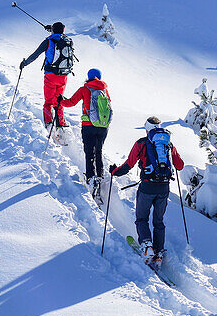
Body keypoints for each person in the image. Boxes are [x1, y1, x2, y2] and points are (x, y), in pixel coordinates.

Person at [109, 116, 184, 263]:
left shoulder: (141, 143)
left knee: (142, 218)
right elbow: (180, 165)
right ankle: (159, 252)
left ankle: (147, 245)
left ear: (147, 129)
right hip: (164, 187)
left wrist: (114, 171)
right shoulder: (168, 144)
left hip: (147, 187)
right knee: (159, 220)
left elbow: (128, 165)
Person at [59, 68, 113, 201]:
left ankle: (90, 177)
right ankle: (99, 176)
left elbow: (71, 102)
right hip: (102, 127)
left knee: (89, 152)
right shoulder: (104, 90)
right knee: (99, 151)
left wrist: (61, 101)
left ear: (88, 77)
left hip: (88, 126)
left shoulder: (85, 89)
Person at [19, 21, 75, 130]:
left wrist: (25, 63)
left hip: (51, 75)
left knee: (48, 102)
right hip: (63, 75)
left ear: (53, 30)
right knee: (59, 100)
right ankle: (61, 124)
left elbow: (35, 55)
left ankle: (49, 123)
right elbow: (59, 35)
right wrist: (53, 30)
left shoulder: (48, 41)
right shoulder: (67, 40)